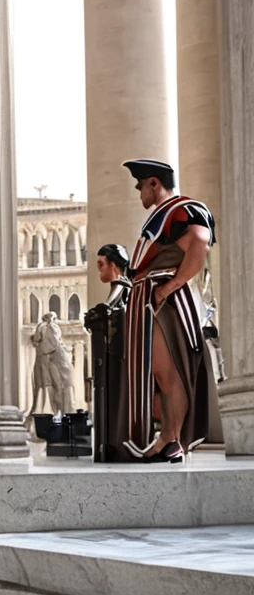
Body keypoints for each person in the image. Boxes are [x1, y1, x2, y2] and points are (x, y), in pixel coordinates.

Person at [119, 159, 217, 462]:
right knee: (161, 374)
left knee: (168, 372)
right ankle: (166, 438)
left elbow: (200, 243)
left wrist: (169, 287)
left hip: (163, 301)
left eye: (140, 186)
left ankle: (172, 438)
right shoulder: (164, 215)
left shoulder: (179, 209)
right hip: (151, 298)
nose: (139, 194)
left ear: (153, 183)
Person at [84, 244, 134, 461]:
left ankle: (112, 445)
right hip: (116, 350)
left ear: (114, 265)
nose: (99, 270)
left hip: (116, 352)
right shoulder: (125, 286)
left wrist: (94, 314)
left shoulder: (121, 284)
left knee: (111, 395)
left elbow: (107, 308)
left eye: (101, 265)